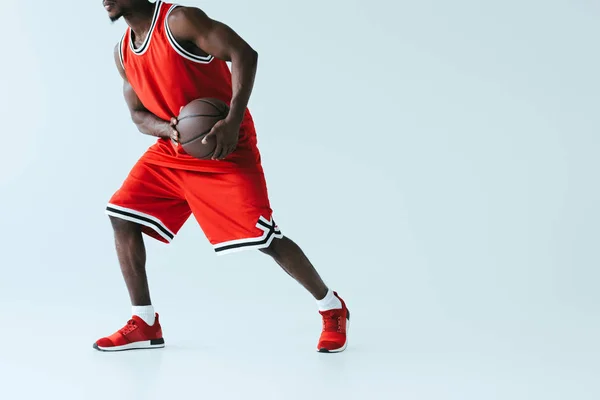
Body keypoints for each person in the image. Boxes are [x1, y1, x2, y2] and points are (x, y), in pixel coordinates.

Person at [95, 0, 350, 353]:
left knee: (265, 237)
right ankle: (145, 322)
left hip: (224, 144)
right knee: (121, 214)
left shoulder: (179, 20)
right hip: (174, 147)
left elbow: (244, 53)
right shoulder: (123, 52)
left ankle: (330, 306)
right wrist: (166, 129)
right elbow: (138, 115)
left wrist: (232, 120)